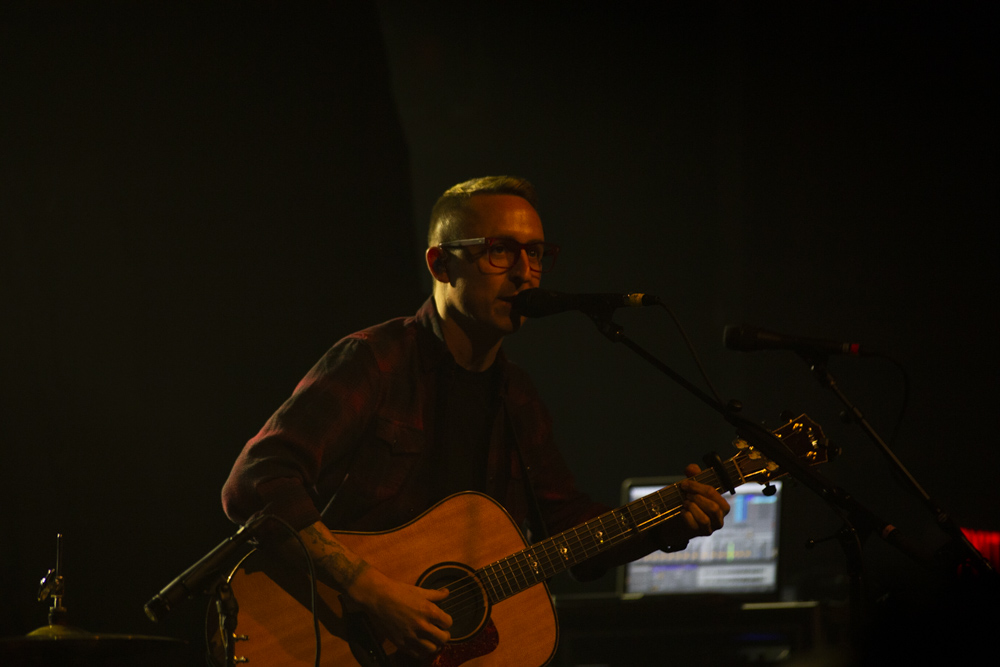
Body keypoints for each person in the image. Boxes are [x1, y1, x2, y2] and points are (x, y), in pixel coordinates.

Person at [221, 175, 730, 659]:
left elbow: (568, 530)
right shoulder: (375, 360)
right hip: (324, 637)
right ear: (441, 264)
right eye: (500, 250)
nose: (524, 272)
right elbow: (258, 479)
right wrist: (372, 590)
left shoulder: (517, 396)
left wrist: (667, 523)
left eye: (535, 253)